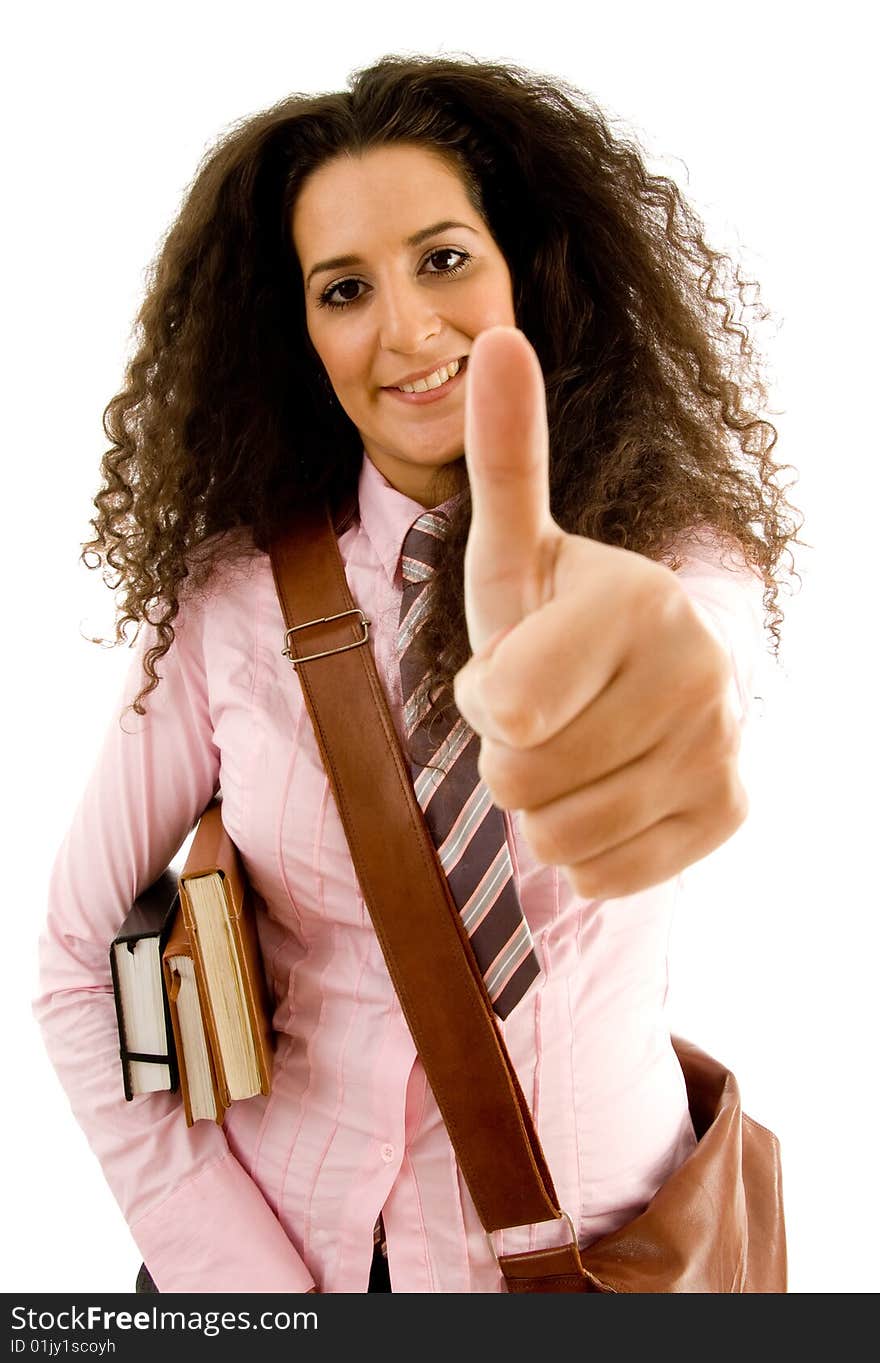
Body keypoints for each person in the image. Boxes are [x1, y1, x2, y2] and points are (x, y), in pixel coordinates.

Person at [33, 52, 802, 1294]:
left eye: (444, 259)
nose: (406, 328)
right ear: (297, 332)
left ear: (529, 269)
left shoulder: (676, 561)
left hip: (607, 1263)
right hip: (296, 1261)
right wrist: (244, 1288)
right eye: (345, 288)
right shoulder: (228, 606)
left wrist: (659, 681)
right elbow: (78, 955)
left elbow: (693, 656)